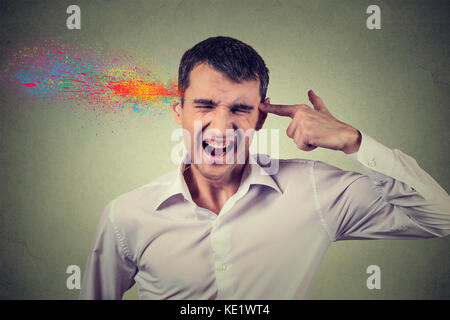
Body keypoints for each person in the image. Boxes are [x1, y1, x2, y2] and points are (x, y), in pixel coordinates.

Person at [80, 36, 450, 299]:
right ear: (179, 110)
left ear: (261, 116)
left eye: (240, 109)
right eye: (204, 105)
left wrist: (354, 141)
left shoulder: (314, 191)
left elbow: (439, 218)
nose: (222, 127)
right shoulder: (126, 216)